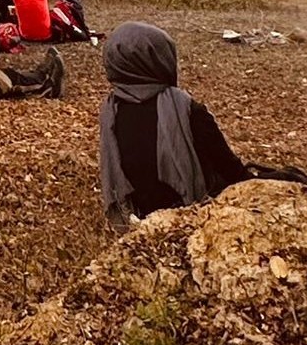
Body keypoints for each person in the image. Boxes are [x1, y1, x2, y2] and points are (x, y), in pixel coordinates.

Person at [98, 21, 258, 223]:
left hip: (138, 214)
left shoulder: (111, 109)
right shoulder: (185, 108)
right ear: (158, 60)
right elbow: (230, 169)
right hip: (193, 210)